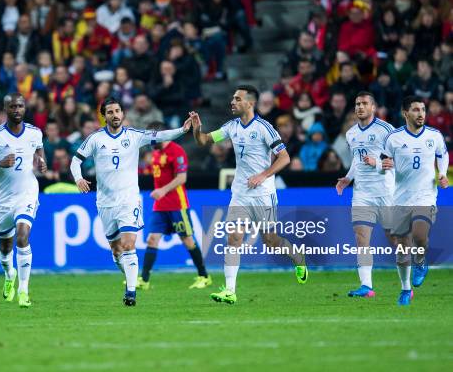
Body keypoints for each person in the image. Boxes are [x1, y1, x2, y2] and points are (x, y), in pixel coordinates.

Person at [191, 85, 308, 305]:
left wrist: (263, 175)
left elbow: (284, 158)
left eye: (237, 99)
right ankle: (230, 291)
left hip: (263, 193)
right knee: (234, 237)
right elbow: (204, 140)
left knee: (271, 241)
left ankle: (298, 258)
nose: (232, 102)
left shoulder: (264, 128)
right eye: (232, 99)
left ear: (250, 103)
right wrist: (198, 129)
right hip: (240, 193)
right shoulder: (231, 126)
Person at [70, 97, 192, 306]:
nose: (115, 115)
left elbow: (160, 135)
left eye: (118, 111)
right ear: (104, 116)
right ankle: (129, 276)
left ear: (122, 113)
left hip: (129, 200)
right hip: (106, 202)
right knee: (116, 251)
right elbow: (75, 161)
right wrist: (79, 178)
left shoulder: (134, 136)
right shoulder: (96, 139)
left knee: (128, 244)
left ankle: (131, 292)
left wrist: (182, 129)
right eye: (110, 112)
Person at [0, 93, 47, 308]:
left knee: (23, 237)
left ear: (25, 108)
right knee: (5, 248)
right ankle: (9, 274)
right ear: (6, 109)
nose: (17, 110)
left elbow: (39, 149)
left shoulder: (34, 132)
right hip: (4, 198)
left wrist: (41, 161)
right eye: (13, 106)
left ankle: (24, 291)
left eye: (21, 106)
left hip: (27, 192)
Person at [382, 96, 449, 306]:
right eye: (416, 110)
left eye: (423, 110)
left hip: (426, 196)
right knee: (402, 249)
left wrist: (443, 173)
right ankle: (405, 289)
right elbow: (385, 163)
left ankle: (420, 262)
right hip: (400, 198)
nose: (421, 114)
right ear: (405, 114)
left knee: (420, 236)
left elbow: (442, 155)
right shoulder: (393, 138)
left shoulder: (434, 136)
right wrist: (385, 169)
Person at [335, 92, 396, 298]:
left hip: (386, 192)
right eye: (357, 104)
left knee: (394, 238)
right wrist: (347, 178)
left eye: (364, 104)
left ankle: (410, 274)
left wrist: (377, 163)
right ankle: (366, 286)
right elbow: (356, 160)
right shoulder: (351, 133)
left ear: (373, 107)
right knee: (361, 239)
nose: (360, 107)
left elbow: (396, 162)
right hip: (362, 193)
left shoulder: (387, 131)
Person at [138, 121, 211, 291]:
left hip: (177, 204)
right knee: (152, 239)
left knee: (187, 240)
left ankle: (204, 276)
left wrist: (162, 190)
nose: (151, 141)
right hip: (160, 205)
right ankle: (144, 280)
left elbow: (181, 178)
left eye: (153, 137)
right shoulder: (155, 152)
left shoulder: (177, 151)